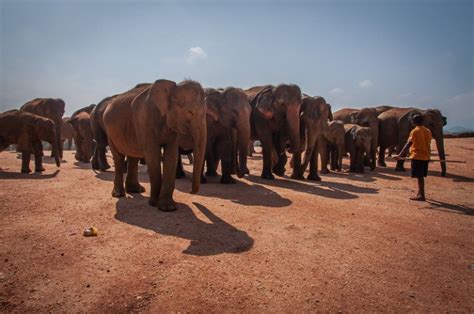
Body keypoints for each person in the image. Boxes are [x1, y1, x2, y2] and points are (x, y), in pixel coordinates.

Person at [396, 114, 432, 201]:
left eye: (412, 121)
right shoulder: (428, 131)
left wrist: (399, 155)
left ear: (414, 122)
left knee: (420, 177)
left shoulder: (415, 131)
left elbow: (409, 143)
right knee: (421, 176)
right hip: (426, 156)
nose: (411, 122)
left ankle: (421, 195)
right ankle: (420, 193)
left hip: (417, 156)